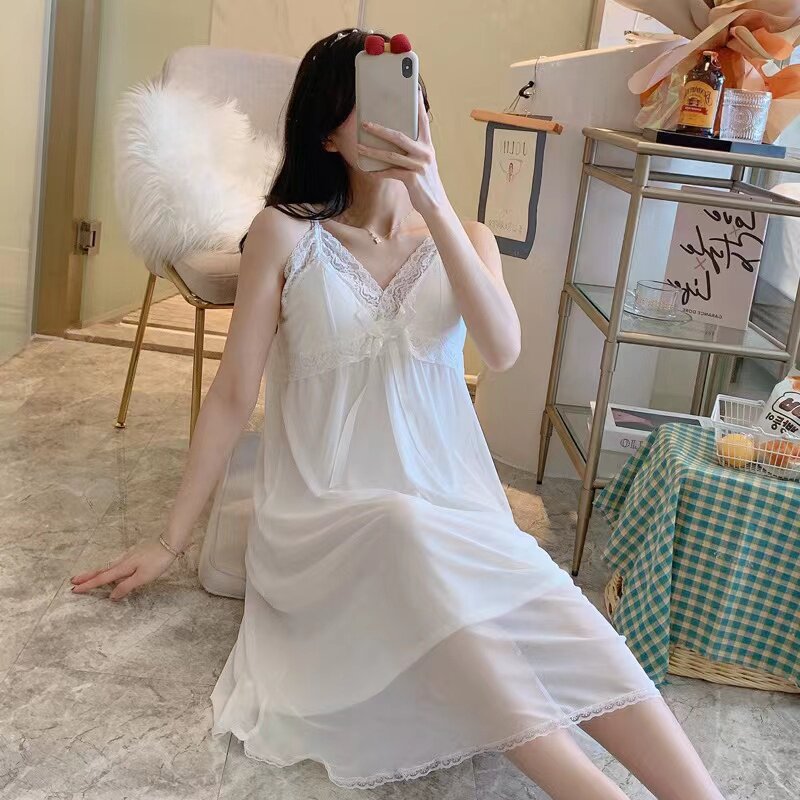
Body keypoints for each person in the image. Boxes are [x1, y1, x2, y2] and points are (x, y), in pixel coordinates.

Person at [70, 29, 726, 799]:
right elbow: (232, 393)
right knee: (405, 529)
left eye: (406, 96)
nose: (393, 119)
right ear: (327, 134)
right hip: (326, 515)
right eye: (365, 107)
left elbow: (502, 348)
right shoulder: (285, 234)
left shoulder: (466, 237)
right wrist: (167, 539)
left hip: (452, 504)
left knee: (549, 601)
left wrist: (434, 202)